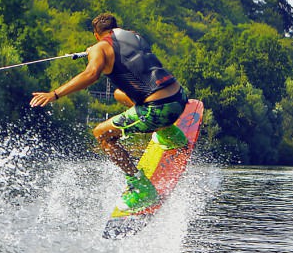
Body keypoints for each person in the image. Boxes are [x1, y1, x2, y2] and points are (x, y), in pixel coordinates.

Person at [30, 13, 189, 212]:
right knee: (119, 94)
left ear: (96, 35)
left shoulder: (100, 47)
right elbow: (118, 50)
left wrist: (54, 94)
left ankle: (141, 189)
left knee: (101, 134)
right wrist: (95, 51)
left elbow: (91, 74)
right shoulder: (134, 36)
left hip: (158, 109)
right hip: (179, 98)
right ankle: (170, 134)